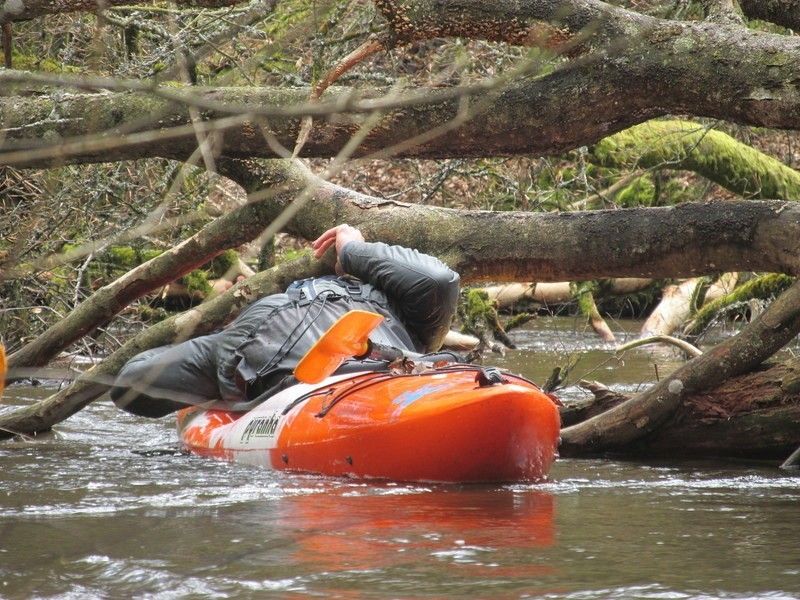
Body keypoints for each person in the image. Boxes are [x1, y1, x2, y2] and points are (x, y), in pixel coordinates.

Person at [110, 225, 461, 417]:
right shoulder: (235, 340)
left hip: (384, 375)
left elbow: (439, 280)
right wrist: (218, 348)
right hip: (275, 381)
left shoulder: (411, 317)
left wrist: (353, 249)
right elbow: (131, 385)